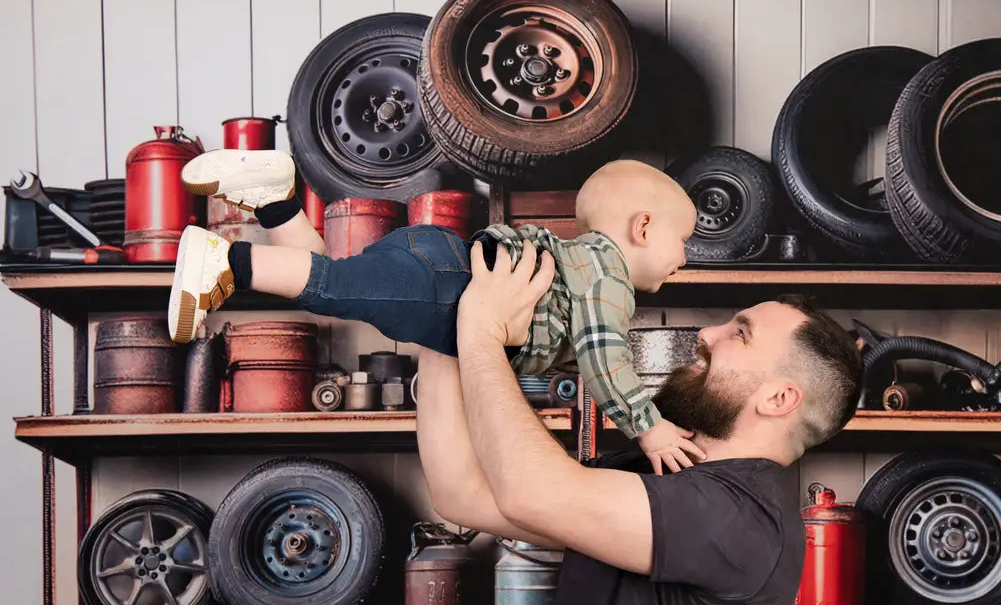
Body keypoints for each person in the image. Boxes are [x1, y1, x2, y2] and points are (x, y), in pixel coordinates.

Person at [419, 240, 863, 605]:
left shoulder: (745, 517)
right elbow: (461, 494)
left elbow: (531, 491)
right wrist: (434, 331)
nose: (706, 335)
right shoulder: (658, 473)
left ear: (779, 397)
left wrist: (480, 334)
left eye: (740, 334)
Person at [165, 151, 704, 471]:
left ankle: (275, 199)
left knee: (334, 280)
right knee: (335, 287)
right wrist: (647, 427)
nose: (685, 258)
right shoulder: (608, 277)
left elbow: (566, 355)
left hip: (443, 258)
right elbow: (603, 354)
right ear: (643, 227)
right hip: (450, 288)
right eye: (684, 240)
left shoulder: (578, 268)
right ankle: (229, 260)